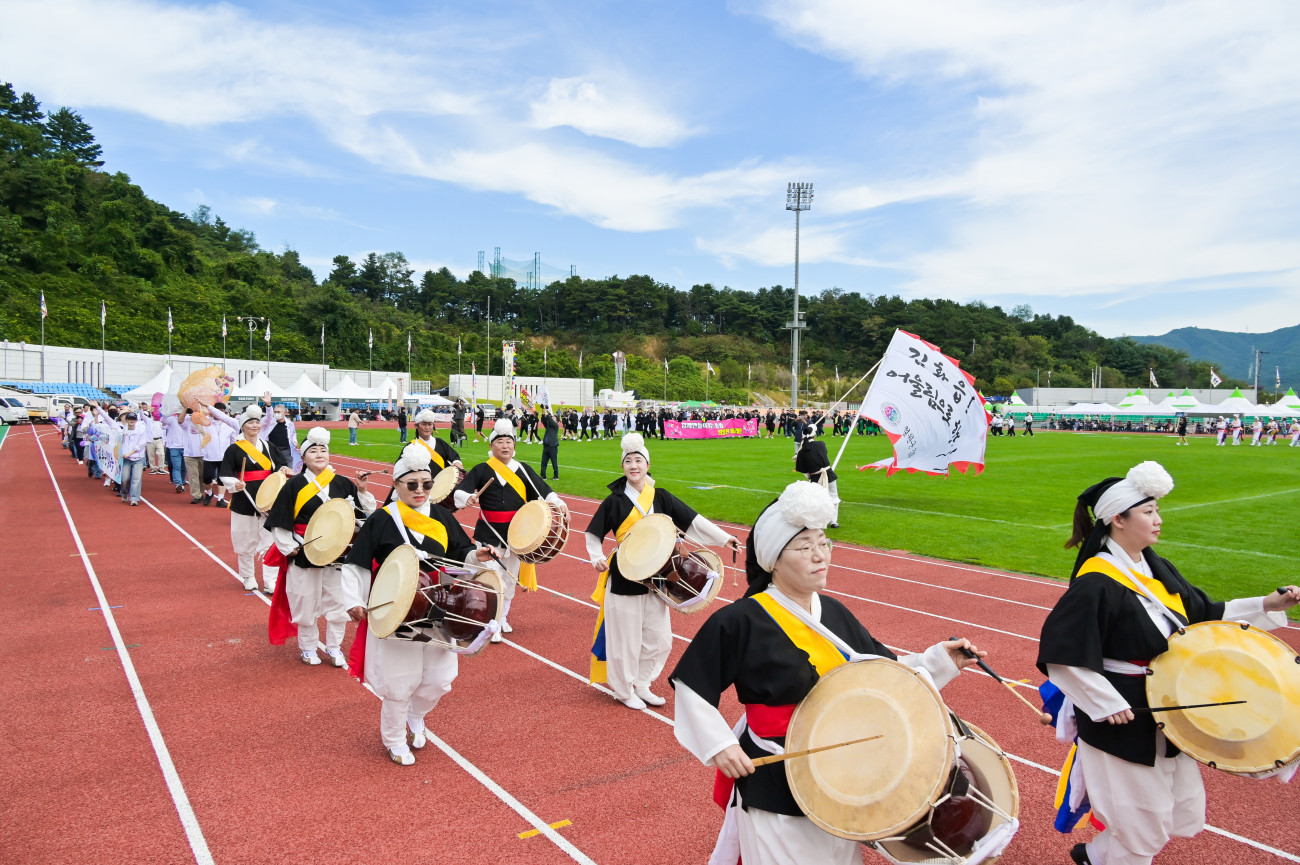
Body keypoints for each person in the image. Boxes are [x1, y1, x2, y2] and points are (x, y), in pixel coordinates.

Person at [669, 481, 985, 865]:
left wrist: (939, 661)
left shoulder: (833, 612)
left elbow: (883, 673)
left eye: (824, 543)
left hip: (842, 776)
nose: (821, 556)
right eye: (805, 547)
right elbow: (692, 685)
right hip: (777, 777)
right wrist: (721, 745)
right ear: (773, 559)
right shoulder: (739, 621)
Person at [1037, 461, 1299, 865]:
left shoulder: (1154, 567)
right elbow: (1062, 653)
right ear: (1118, 519)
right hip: (1123, 720)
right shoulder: (1096, 583)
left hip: (1168, 708)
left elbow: (1204, 617)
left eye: (1157, 510)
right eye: (1148, 512)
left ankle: (1092, 856)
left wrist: (1268, 604)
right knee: (1142, 825)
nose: (1158, 520)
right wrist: (1106, 703)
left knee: (1172, 809)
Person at [341, 442, 497, 765]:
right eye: (412, 484)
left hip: (439, 606)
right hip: (396, 609)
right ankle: (394, 739)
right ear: (396, 485)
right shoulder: (382, 519)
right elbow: (356, 564)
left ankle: (416, 716)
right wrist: (353, 600)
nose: (420, 490)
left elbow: (460, 552)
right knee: (400, 682)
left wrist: (476, 555)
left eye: (426, 484)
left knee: (439, 680)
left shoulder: (442, 516)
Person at [586, 433, 740, 709]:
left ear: (648, 465)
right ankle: (623, 690)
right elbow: (593, 533)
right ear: (622, 466)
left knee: (660, 640)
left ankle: (642, 683)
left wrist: (723, 537)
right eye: (628, 461)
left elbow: (692, 520)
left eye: (638, 461)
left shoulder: (662, 497)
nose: (634, 466)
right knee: (626, 640)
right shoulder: (614, 500)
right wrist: (596, 556)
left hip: (659, 577)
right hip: (625, 576)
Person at [265, 427, 377, 666]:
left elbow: (363, 515)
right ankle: (308, 648)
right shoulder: (293, 485)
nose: (319, 454)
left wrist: (362, 490)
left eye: (323, 450)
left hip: (337, 553)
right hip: (305, 551)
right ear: (303, 457)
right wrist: (290, 547)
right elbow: (280, 521)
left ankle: (334, 648)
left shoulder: (343, 483)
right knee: (305, 602)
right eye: (313, 450)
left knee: (338, 603)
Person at [454, 418, 568, 641]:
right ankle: (492, 623)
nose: (505, 446)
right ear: (491, 445)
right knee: (492, 579)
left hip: (517, 536)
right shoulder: (482, 469)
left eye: (509, 442)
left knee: (509, 580)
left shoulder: (523, 470)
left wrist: (559, 503)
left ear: (514, 444)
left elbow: (544, 491)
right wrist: (467, 498)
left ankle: (503, 617)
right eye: (500, 442)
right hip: (488, 533)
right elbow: (460, 491)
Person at [213, 404, 293, 591]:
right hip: (244, 499)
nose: (255, 425)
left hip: (268, 499)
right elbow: (225, 474)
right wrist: (235, 484)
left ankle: (270, 580)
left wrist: (284, 470)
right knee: (244, 540)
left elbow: (279, 467)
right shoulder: (234, 449)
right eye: (251, 423)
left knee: (270, 541)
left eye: (257, 422)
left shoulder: (269, 446)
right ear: (242, 426)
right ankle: (248, 576)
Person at [92, 402, 149, 505]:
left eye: (133, 419)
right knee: (124, 478)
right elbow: (107, 419)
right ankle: (124, 493)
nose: (131, 421)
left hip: (138, 458)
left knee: (136, 479)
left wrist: (130, 453)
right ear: (125, 419)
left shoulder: (141, 429)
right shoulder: (120, 429)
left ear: (136, 420)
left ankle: (134, 498)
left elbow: (141, 444)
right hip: (125, 459)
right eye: (129, 418)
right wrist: (98, 407)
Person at [793, 423, 840, 528]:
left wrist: (811, 476)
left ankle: (819, 520)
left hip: (815, 477)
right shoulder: (821, 444)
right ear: (814, 435)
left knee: (816, 499)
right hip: (829, 474)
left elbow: (803, 470)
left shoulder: (802, 452)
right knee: (833, 496)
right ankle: (833, 521)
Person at [260, 394, 298, 468]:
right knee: (274, 470)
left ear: (284, 413)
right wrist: (268, 405)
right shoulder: (269, 422)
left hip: (286, 451)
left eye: (278, 412)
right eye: (275, 412)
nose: (276, 414)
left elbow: (293, 434)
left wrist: (294, 441)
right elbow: (268, 416)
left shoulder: (290, 424)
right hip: (273, 451)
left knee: (289, 470)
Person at [161, 409, 187, 492]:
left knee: (184, 467)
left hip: (186, 447)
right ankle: (178, 484)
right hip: (174, 447)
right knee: (176, 467)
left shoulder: (188, 419)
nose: (180, 413)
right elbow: (163, 420)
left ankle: (182, 482)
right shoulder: (172, 419)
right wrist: (168, 411)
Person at [539, 407, 560, 480]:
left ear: (557, 420)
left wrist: (547, 414)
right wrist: (543, 412)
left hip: (553, 447)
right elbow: (544, 420)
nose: (552, 418)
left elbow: (550, 420)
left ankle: (556, 476)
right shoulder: (548, 426)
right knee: (543, 462)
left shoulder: (556, 426)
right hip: (546, 446)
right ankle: (543, 476)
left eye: (554, 418)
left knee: (554, 462)